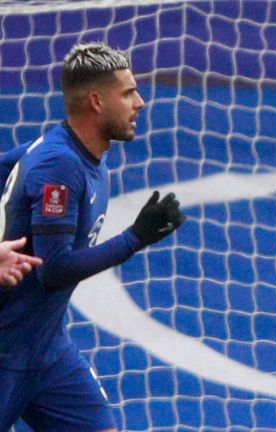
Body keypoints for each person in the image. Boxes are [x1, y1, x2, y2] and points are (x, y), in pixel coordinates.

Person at [0, 42, 185, 432]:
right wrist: (134, 238)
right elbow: (53, 270)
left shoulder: (65, 151)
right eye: (128, 92)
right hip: (6, 351)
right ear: (97, 102)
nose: (141, 103)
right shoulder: (59, 165)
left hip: (47, 347)